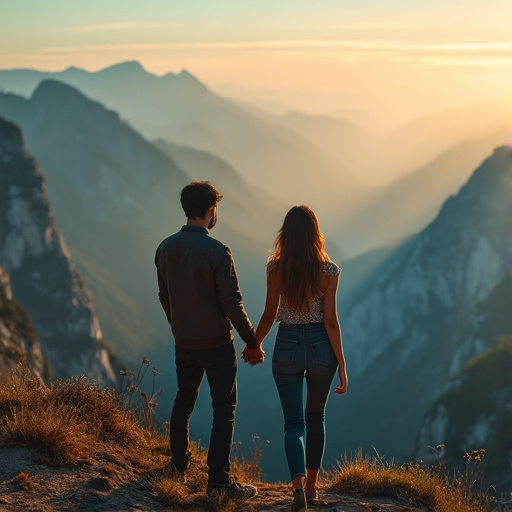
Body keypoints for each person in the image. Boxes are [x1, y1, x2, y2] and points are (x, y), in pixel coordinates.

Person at [155, 181, 264, 503]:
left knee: (183, 401)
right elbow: (232, 303)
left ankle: (178, 465)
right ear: (211, 211)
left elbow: (165, 297)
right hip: (217, 344)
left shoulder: (165, 248)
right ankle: (218, 483)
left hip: (184, 342)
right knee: (223, 410)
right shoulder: (218, 251)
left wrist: (179, 327)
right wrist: (252, 342)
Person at [243, 205, 348, 512]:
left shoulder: (275, 269)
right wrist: (341, 362)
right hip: (320, 347)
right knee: (316, 418)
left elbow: (269, 313)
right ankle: (314, 489)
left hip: (287, 343)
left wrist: (254, 345)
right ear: (316, 234)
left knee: (293, 423)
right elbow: (330, 321)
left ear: (285, 235)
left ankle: (298, 489)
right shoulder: (329, 272)